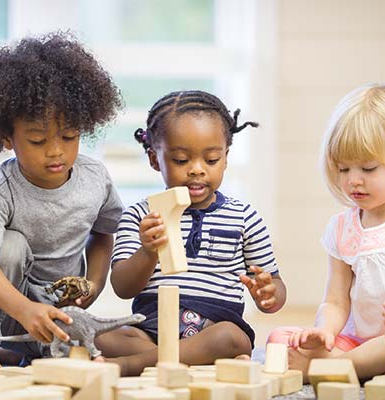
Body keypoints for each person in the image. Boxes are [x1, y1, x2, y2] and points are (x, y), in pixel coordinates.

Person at [0, 32, 124, 374]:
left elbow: (105, 234)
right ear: (6, 137)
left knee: (117, 343)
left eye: (69, 136)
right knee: (10, 246)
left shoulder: (95, 178)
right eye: (37, 139)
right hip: (5, 307)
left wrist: (93, 282)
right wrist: (23, 310)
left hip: (56, 308)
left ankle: (26, 352)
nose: (56, 150)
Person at [95, 90, 287, 376]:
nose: (197, 170)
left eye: (211, 160)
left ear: (225, 158)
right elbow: (124, 288)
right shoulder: (139, 216)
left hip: (213, 330)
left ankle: (131, 366)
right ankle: (185, 360)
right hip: (151, 329)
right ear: (154, 159)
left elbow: (275, 285)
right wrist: (148, 251)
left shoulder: (244, 217)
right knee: (101, 335)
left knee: (232, 338)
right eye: (182, 160)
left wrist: (269, 294)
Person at [267, 83, 385, 380]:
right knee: (279, 341)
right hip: (357, 342)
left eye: (368, 168)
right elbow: (336, 301)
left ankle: (334, 368)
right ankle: (352, 365)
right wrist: (324, 330)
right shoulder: (341, 228)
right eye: (344, 168)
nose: (354, 181)